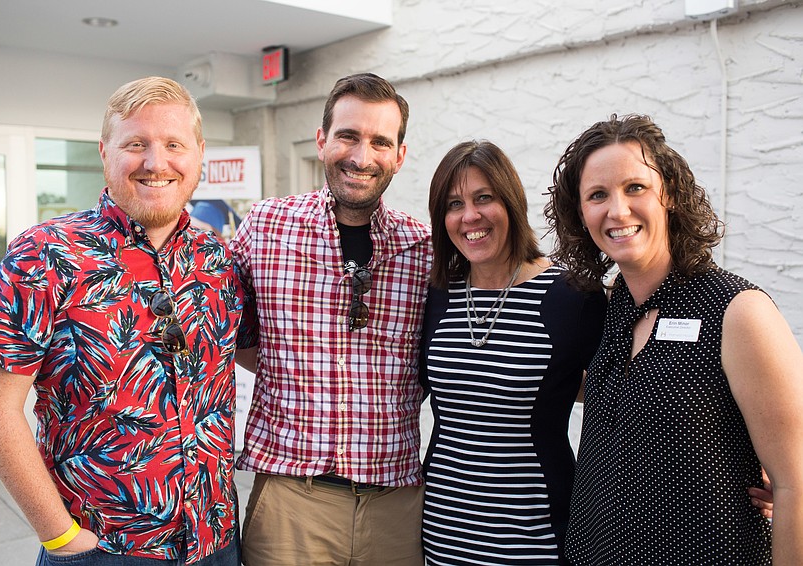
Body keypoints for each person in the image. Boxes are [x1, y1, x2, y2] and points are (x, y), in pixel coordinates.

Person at [0, 76, 257, 565]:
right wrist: (62, 538)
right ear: (105, 152)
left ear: (199, 154)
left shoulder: (218, 260)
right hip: (103, 549)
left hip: (215, 543)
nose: (156, 162)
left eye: (173, 145)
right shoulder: (43, 255)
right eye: (136, 144)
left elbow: (256, 355)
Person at [545, 114, 803, 564]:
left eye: (635, 188)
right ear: (581, 214)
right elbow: (626, 394)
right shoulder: (611, 308)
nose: (617, 211)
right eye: (597, 195)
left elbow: (795, 483)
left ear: (670, 194)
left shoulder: (738, 311)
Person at [230, 73, 431, 565]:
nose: (362, 156)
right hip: (291, 505)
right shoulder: (266, 226)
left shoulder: (425, 249)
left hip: (396, 506)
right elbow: (226, 329)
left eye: (380, 141)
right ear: (322, 141)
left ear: (399, 155)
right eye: (348, 135)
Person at [419, 140, 607, 565]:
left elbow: (624, 397)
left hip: (537, 537)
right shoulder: (438, 295)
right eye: (453, 204)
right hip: (442, 535)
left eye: (484, 197)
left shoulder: (572, 297)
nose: (470, 216)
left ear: (512, 201)